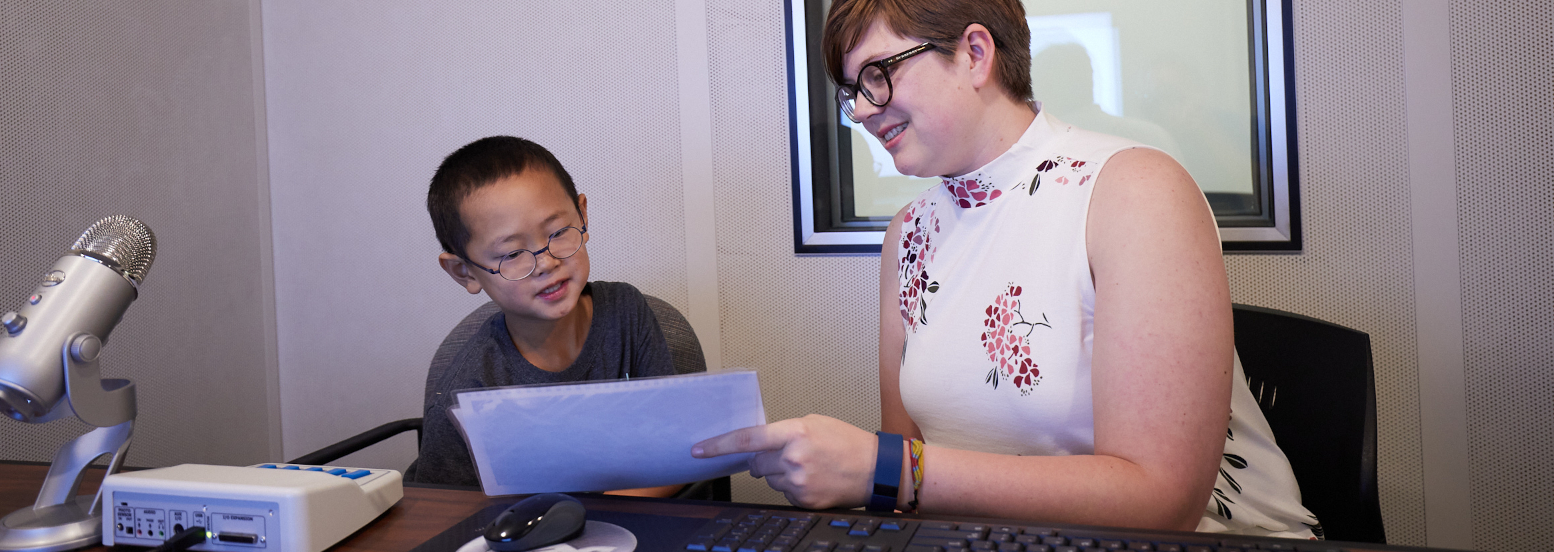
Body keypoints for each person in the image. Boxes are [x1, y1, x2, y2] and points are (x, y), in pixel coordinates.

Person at [692, 0, 1321, 538]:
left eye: (878, 75)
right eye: (853, 90)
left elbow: (1164, 503)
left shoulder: (1135, 189)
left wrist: (884, 470)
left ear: (973, 53)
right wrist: (876, 473)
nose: (861, 109)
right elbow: (906, 471)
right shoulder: (909, 236)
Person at [414, 135, 687, 497]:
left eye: (558, 233)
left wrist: (601, 518)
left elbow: (675, 443)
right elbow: (441, 517)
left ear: (583, 215)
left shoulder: (627, 313)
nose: (546, 263)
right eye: (511, 254)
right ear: (464, 272)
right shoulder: (467, 389)